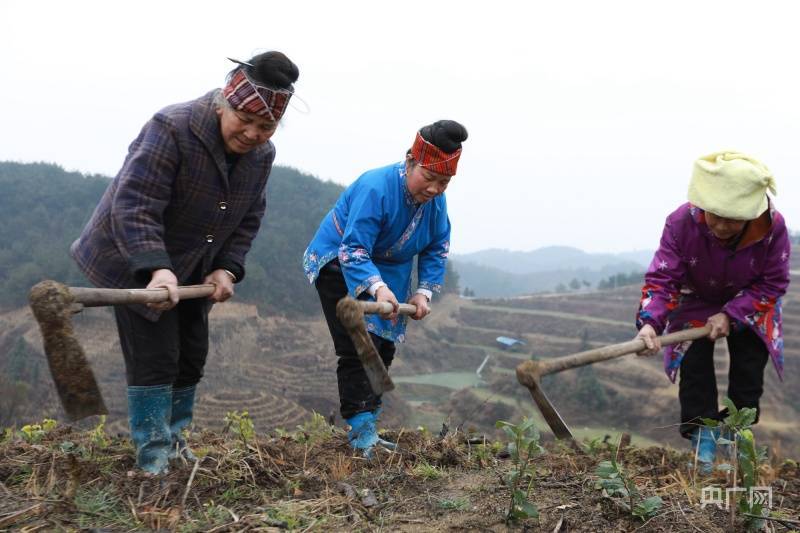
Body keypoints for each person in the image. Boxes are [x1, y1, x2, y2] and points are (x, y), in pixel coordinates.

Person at [70, 51, 300, 474]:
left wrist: (227, 268)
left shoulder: (262, 156)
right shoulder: (172, 128)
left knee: (191, 354)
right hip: (134, 256)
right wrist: (156, 267)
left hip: (195, 265)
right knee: (156, 356)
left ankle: (176, 441)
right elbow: (136, 205)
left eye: (265, 127)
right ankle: (153, 454)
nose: (252, 133)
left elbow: (249, 216)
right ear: (223, 105)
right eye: (244, 121)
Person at [303, 120, 468, 456]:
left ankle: (370, 423)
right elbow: (353, 248)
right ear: (410, 162)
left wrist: (423, 292)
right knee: (358, 344)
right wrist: (376, 288)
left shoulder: (436, 203)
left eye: (444, 182)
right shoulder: (375, 187)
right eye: (429, 178)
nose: (435, 189)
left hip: (392, 269)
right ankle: (360, 431)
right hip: (340, 259)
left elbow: (437, 246)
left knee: (385, 344)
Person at [634, 151, 790, 473]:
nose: (719, 225)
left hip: (751, 300)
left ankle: (735, 434)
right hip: (697, 295)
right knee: (693, 362)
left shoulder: (772, 228)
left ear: (750, 212)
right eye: (713, 215)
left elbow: (773, 283)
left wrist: (732, 315)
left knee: (749, 365)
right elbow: (663, 278)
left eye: (731, 218)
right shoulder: (681, 222)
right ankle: (702, 436)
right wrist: (650, 322)